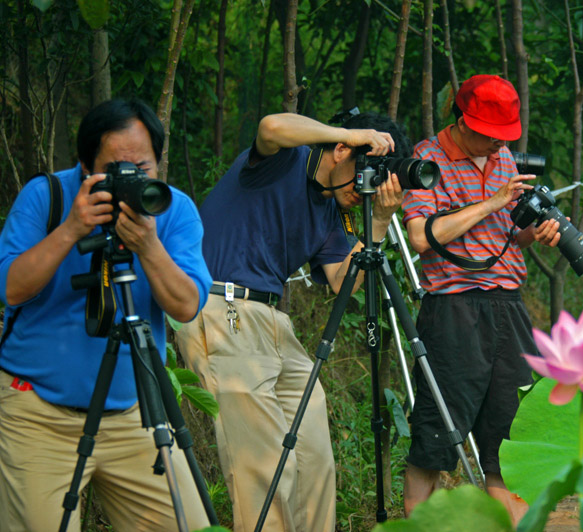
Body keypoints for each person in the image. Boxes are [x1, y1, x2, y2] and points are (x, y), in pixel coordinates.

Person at [174, 111, 409, 532]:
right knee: (262, 462)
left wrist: (379, 221)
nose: (363, 188)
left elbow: (342, 281)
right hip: (222, 306)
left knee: (313, 451)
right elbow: (269, 126)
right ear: (340, 150)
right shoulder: (285, 160)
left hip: (273, 322)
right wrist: (351, 134)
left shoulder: (332, 210)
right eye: (363, 173)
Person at [0, 98, 213, 531]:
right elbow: (10, 289)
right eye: (116, 169)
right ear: (84, 166)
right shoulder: (48, 196)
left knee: (189, 523)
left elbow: (187, 305)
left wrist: (148, 247)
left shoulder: (173, 210)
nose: (131, 179)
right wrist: (70, 230)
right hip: (38, 414)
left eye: (144, 167)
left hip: (136, 413)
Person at [401, 74, 561, 524]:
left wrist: (536, 232)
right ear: (462, 120)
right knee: (434, 440)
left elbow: (512, 236)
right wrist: (493, 202)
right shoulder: (425, 158)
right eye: (491, 136)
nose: (497, 145)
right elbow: (420, 237)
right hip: (453, 307)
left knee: (510, 440)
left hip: (508, 305)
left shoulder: (503, 157)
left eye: (503, 138)